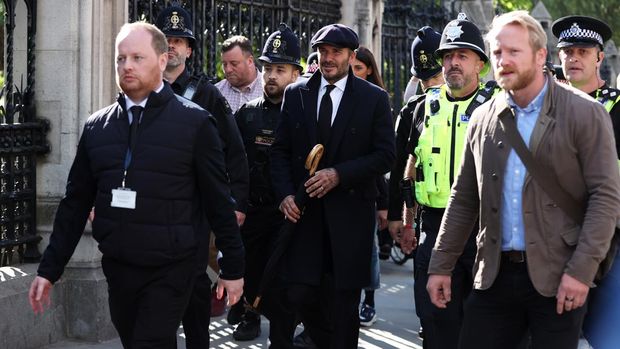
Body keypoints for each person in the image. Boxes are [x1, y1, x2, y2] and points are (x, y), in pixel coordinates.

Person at [28, 22, 245, 348]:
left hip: (173, 267)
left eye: (137, 57)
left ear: (161, 60)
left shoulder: (195, 122)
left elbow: (217, 200)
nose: (127, 66)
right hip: (119, 267)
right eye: (121, 58)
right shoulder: (98, 127)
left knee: (150, 341)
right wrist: (49, 269)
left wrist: (232, 267)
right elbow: (75, 202)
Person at [426, 11, 620, 349]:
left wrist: (581, 272)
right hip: (493, 277)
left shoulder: (586, 113)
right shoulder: (483, 117)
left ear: (541, 55)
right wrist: (440, 264)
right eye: (498, 53)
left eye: (514, 52)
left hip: (560, 276)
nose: (504, 61)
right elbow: (464, 198)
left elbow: (605, 198)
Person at [270, 23, 395, 348]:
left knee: (343, 308)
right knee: (299, 293)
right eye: (323, 52)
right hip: (305, 219)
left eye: (335, 52)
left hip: (350, 219)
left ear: (351, 56)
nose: (327, 59)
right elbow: (280, 151)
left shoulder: (374, 99)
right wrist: (285, 193)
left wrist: (339, 174)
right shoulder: (297, 93)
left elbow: (385, 156)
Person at [398, 16, 497, 349]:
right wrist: (408, 221)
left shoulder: (497, 108)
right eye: (448, 56)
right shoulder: (425, 106)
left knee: (480, 326)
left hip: (482, 229)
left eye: (462, 55)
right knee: (435, 322)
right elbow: (412, 163)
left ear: (480, 64)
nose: (453, 63)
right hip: (434, 228)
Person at [154, 6, 249, 348]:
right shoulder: (140, 92)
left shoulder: (207, 93)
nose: (173, 47)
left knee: (195, 294)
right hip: (151, 212)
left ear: (190, 50)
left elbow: (235, 153)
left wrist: (236, 203)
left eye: (180, 41)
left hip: (195, 211)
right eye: (167, 40)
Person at [229, 23, 302, 343]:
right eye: (268, 68)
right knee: (253, 272)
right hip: (255, 214)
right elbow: (232, 164)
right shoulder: (247, 114)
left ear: (295, 74)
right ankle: (249, 316)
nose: (271, 75)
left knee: (285, 283)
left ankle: (283, 335)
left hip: (290, 216)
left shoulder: (305, 114)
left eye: (280, 69)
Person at [551, 15, 620, 349]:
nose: (574, 58)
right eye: (567, 51)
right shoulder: (544, 107)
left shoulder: (619, 107)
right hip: (552, 238)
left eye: (583, 51)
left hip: (609, 241)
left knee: (605, 337)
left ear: (599, 58)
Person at [387, 26, 443, 250]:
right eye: (424, 80)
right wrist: (395, 214)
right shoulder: (411, 112)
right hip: (421, 214)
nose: (430, 85)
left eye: (436, 77)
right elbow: (399, 165)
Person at [350, 45, 388, 327]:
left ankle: (369, 301)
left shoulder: (377, 100)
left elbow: (385, 159)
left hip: (368, 190)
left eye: (358, 69)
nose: (353, 74)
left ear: (369, 70)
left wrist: (385, 205)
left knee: (369, 250)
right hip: (340, 190)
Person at [215, 35, 263, 113]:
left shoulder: (267, 90)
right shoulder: (217, 92)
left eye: (234, 64)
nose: (228, 69)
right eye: (224, 64)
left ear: (250, 61)